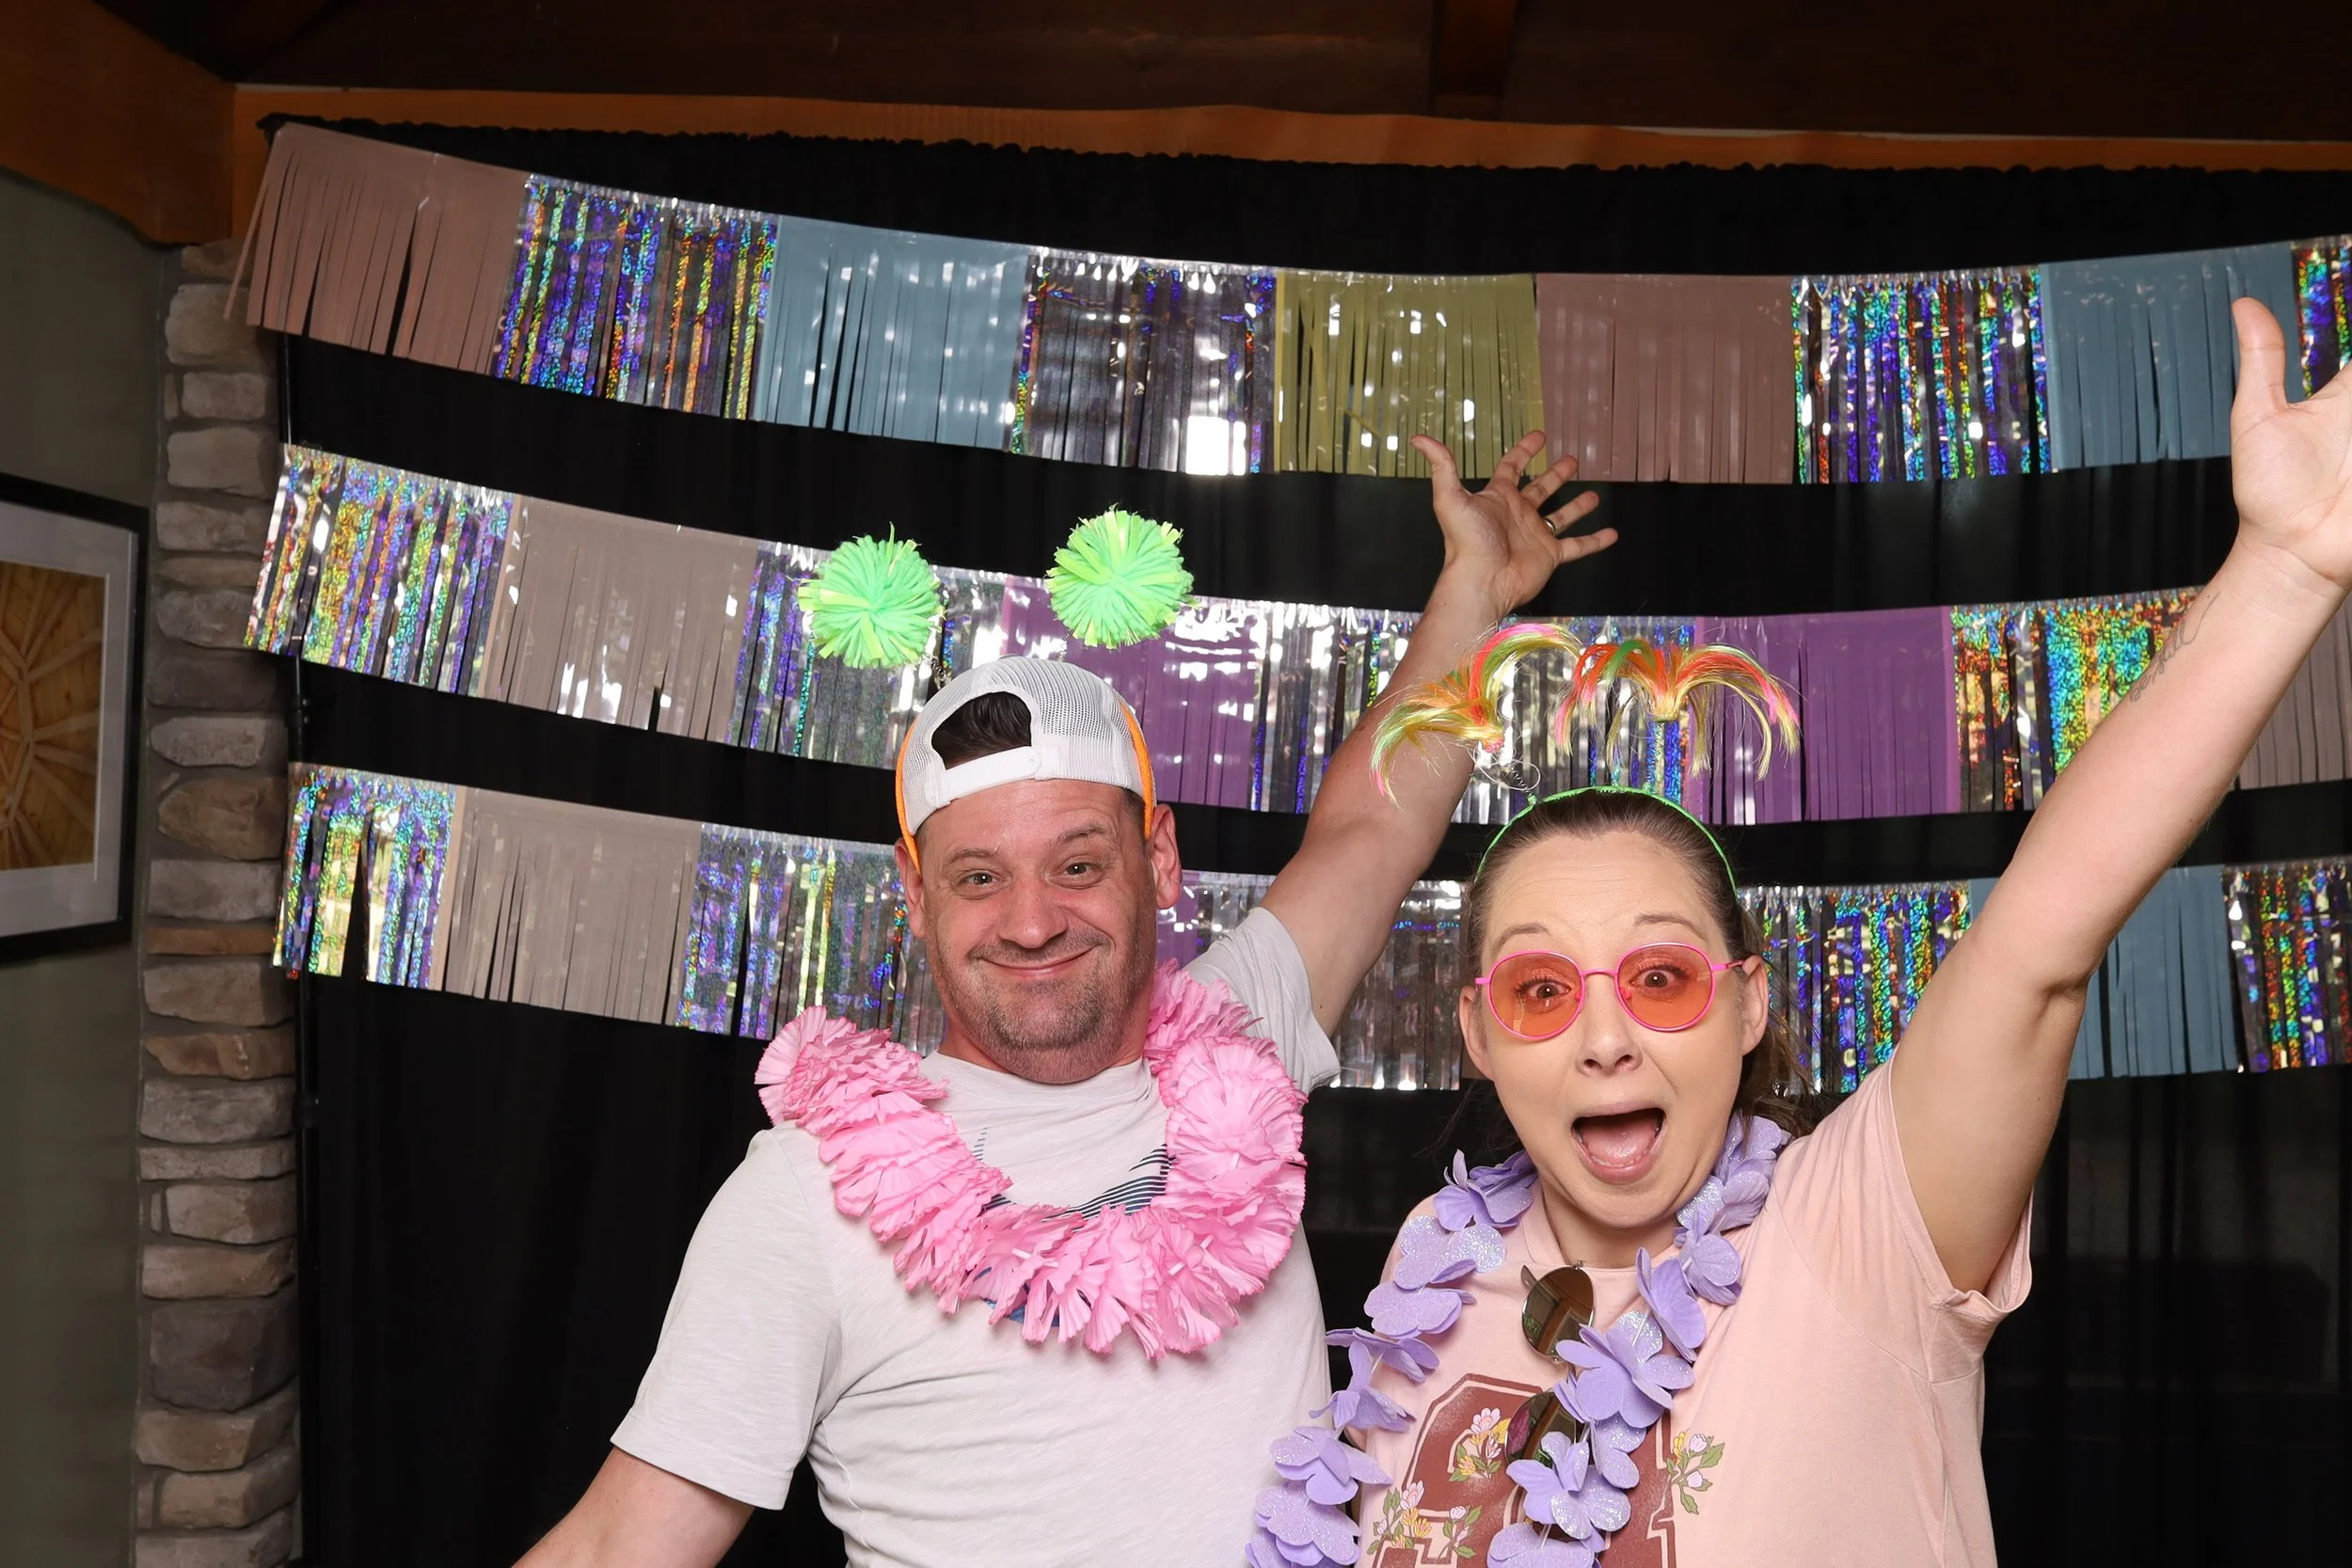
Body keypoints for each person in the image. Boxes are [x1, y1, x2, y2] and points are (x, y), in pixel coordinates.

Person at [1279, 298, 2352, 1568]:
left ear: (1748, 1004)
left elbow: (2039, 945)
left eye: (1664, 974)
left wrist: (2285, 567)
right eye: (1542, 989)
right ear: (1479, 1033)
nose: (1607, 1038)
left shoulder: (1853, 1230)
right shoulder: (1435, 1266)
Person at [512, 430, 1617, 1568]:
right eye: (980, 877)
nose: (1031, 920)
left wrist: (1470, 589)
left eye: (1079, 864)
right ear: (916, 893)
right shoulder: (804, 1196)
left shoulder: (1240, 1038)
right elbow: (617, 1547)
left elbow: (1372, 823)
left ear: (1161, 859)